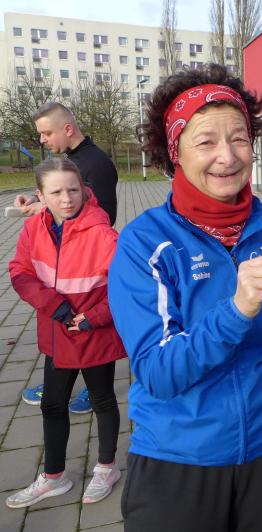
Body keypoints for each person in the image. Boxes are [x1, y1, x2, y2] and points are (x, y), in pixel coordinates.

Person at [107, 64, 262, 532]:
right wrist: (237, 310)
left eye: (239, 138)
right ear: (174, 152)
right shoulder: (144, 244)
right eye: (206, 141)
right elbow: (158, 373)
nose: (227, 156)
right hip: (180, 459)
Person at [6, 158, 126, 508]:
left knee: (102, 399)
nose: (66, 198)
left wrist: (94, 317)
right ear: (41, 195)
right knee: (52, 403)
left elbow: (125, 286)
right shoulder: (34, 229)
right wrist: (55, 306)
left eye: (73, 190)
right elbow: (20, 272)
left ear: (84, 191)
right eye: (56, 192)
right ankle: (54, 476)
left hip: (93, 333)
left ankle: (106, 467)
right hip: (57, 331)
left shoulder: (102, 233)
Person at [19, 102, 120, 414]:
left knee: (88, 335)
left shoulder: (95, 163)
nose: (42, 139)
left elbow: (100, 216)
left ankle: (93, 387)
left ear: (67, 129)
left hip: (89, 268)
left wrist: (51, 210)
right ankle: (64, 379)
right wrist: (38, 200)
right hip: (65, 264)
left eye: (47, 133)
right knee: (63, 330)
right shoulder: (72, 160)